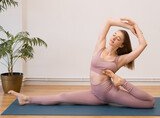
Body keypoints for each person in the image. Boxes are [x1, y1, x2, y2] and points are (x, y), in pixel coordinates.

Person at [8, 17, 155, 108]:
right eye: (114, 35)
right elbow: (108, 21)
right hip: (96, 95)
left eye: (117, 39)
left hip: (110, 93)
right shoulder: (99, 47)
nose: (113, 38)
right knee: (63, 96)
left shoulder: (120, 60)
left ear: (122, 45)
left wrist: (137, 28)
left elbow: (143, 45)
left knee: (150, 103)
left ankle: (121, 81)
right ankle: (26, 98)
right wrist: (128, 26)